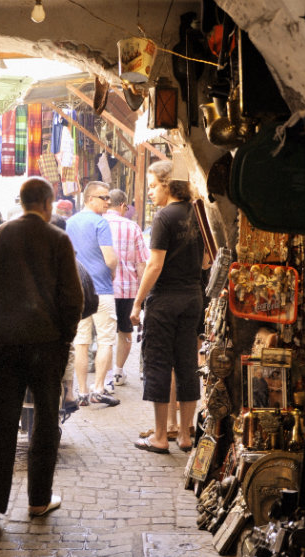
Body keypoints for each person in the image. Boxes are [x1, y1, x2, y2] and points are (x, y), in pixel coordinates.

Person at [0, 177, 83, 531]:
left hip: (4, 342)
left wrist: (2, 308)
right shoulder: (58, 239)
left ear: (21, 202)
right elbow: (72, 299)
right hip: (46, 344)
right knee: (46, 422)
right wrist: (64, 337)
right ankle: (38, 501)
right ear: (48, 204)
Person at [130, 160, 209, 454]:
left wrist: (137, 302)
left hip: (165, 301)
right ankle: (186, 436)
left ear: (167, 184)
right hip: (192, 298)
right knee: (187, 364)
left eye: (152, 186)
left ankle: (161, 436)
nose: (150, 192)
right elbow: (207, 261)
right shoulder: (198, 214)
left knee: (159, 365)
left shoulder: (164, 217)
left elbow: (154, 264)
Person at [65, 181, 119, 407]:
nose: (108, 202)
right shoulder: (100, 223)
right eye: (103, 198)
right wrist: (113, 271)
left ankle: (82, 392)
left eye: (108, 198)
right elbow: (110, 258)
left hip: (78, 290)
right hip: (102, 290)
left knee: (81, 342)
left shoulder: (70, 222)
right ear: (89, 199)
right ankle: (98, 388)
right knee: (106, 340)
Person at [104, 189, 148, 386]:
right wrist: (142, 293)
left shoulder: (98, 223)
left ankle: (102, 378)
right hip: (127, 289)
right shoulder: (132, 227)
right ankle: (118, 372)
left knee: (103, 334)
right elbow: (141, 263)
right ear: (123, 206)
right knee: (125, 332)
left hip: (101, 288)